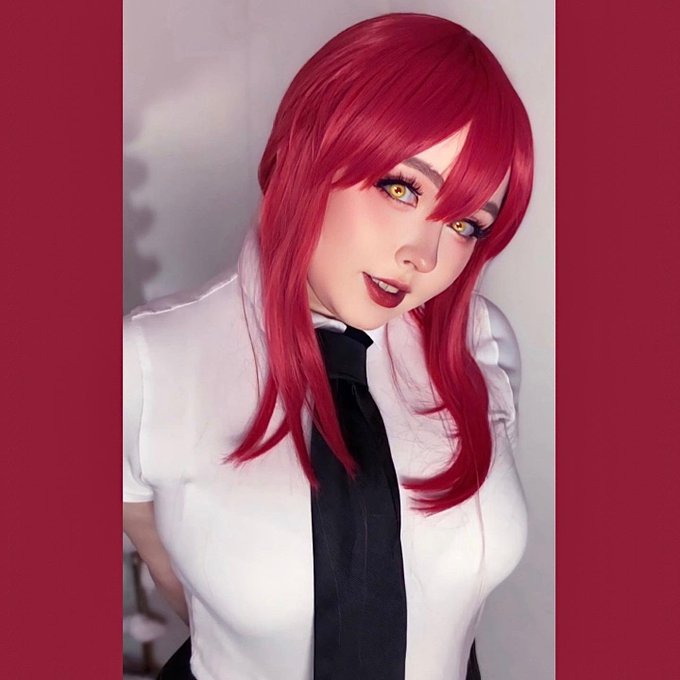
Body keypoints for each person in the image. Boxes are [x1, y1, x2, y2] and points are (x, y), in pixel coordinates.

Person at [123, 12, 533, 680]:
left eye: (465, 224)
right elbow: (180, 584)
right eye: (400, 188)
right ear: (308, 151)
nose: (424, 255)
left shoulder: (482, 344)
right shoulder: (144, 363)